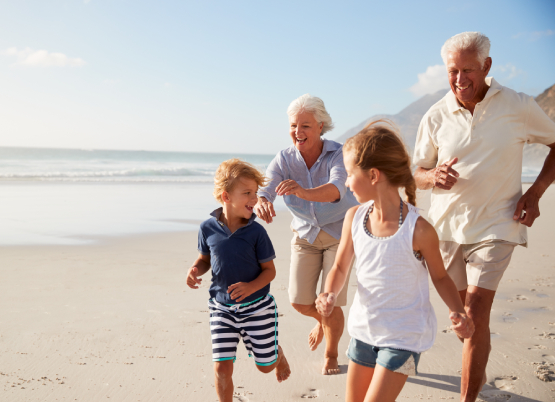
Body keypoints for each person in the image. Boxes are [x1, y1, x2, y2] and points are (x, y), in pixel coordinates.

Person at [413, 32, 555, 402]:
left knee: (474, 314)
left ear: (487, 66)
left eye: (467, 71)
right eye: (452, 71)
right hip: (446, 230)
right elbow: (415, 172)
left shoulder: (518, 106)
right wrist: (432, 177)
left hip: (498, 223)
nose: (460, 80)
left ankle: (467, 399)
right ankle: (478, 362)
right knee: (466, 323)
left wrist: (535, 192)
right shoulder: (436, 114)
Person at [315, 122, 475, 402]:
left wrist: (459, 312)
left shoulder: (419, 230)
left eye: (350, 174)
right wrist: (329, 293)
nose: (346, 182)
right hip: (364, 331)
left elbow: (440, 277)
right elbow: (340, 267)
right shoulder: (354, 218)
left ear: (373, 175)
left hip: (403, 337)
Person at [255, 94, 359, 375]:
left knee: (329, 300)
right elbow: (265, 187)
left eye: (306, 126)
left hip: (340, 234)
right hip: (305, 236)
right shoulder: (284, 159)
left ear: (321, 126)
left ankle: (331, 354)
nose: (298, 132)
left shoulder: (338, 153)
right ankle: (323, 320)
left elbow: (337, 188)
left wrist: (302, 191)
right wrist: (262, 201)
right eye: (293, 126)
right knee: (300, 301)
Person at [186, 159, 291, 402]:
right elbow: (204, 259)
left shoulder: (256, 232)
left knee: (264, 366)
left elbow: (270, 271)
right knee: (222, 368)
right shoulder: (207, 229)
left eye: (255, 193)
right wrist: (194, 269)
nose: (254, 199)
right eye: (247, 193)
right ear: (226, 196)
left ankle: (277, 353)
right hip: (221, 308)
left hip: (257, 308)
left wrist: (251, 286)